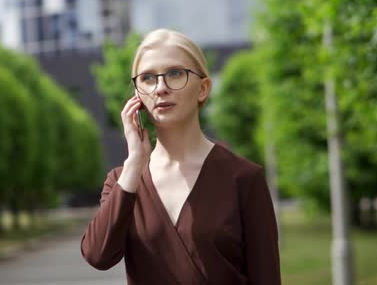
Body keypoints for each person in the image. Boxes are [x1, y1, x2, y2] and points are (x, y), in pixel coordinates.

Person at [81, 29, 281, 284]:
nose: (161, 88)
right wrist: (134, 165)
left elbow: (267, 277)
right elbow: (97, 256)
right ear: (137, 95)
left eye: (175, 74)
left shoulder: (243, 178)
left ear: (203, 88)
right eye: (148, 78)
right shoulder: (123, 181)